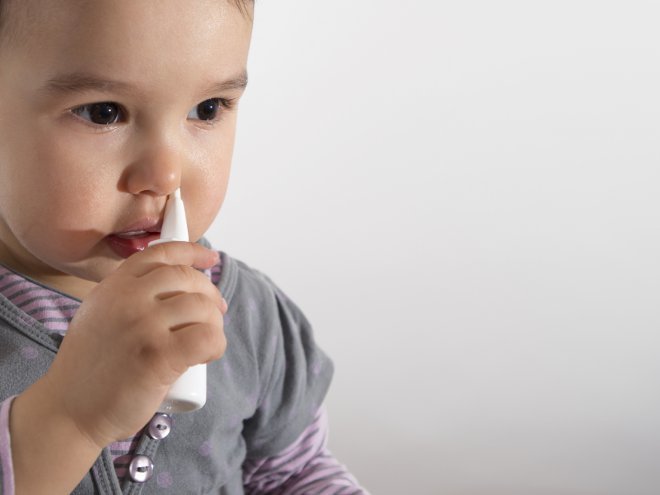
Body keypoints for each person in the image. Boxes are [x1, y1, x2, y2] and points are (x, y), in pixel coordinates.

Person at [0, 0, 367, 493]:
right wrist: (71, 418)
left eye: (207, 109)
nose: (167, 175)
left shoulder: (249, 316)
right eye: (104, 113)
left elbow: (294, 474)